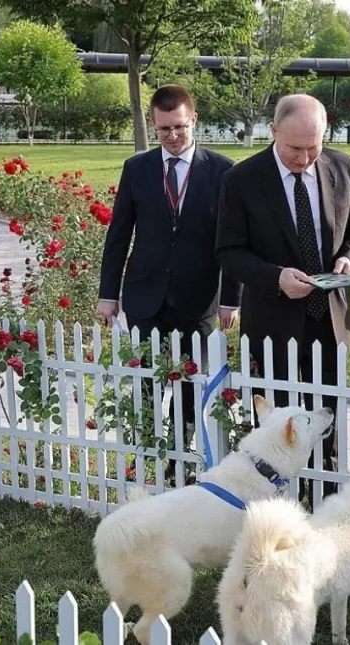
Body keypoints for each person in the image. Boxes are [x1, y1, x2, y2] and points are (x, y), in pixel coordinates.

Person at [215, 94, 350, 498]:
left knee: (327, 419)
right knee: (277, 425)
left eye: (312, 147)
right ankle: (277, 503)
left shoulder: (342, 165)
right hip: (272, 322)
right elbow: (229, 253)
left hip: (329, 319)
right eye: (295, 148)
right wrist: (275, 276)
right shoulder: (241, 180)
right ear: (274, 131)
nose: (304, 158)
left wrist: (349, 261)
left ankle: (325, 501)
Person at [97, 84, 241, 471]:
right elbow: (119, 234)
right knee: (146, 383)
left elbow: (235, 242)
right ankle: (146, 457)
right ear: (153, 127)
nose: (173, 137)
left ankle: (180, 460)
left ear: (193, 120)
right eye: (164, 130)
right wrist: (107, 293)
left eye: (180, 127)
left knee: (191, 388)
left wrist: (231, 299)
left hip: (198, 299)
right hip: (145, 296)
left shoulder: (225, 171)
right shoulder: (137, 169)